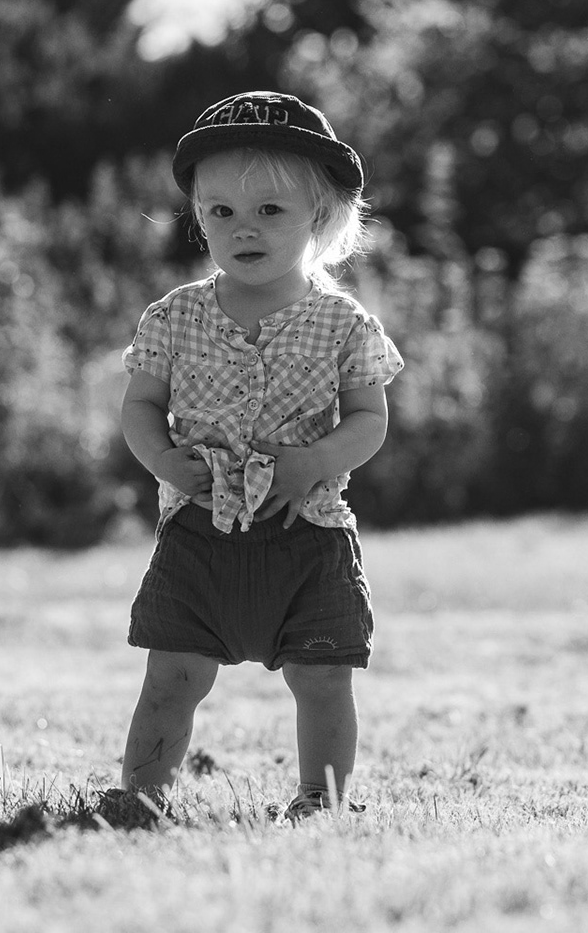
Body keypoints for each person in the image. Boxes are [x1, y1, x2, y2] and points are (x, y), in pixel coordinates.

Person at [115, 90, 403, 820]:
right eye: (221, 212)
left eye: (270, 210)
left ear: (321, 216)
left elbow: (369, 420)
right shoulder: (173, 316)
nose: (244, 228)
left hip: (308, 532)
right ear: (199, 216)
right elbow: (140, 406)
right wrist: (164, 461)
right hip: (198, 530)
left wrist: (311, 462)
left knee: (323, 677)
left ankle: (321, 799)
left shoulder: (342, 323)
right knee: (172, 676)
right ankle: (141, 798)